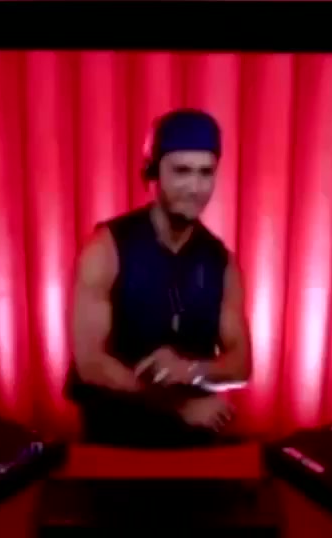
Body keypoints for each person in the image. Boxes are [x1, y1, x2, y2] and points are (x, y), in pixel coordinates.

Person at [66, 109, 252, 448]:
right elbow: (90, 364)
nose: (195, 187)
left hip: (190, 440)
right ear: (153, 173)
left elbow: (241, 365)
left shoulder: (221, 261)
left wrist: (190, 369)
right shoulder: (106, 248)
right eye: (181, 171)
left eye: (206, 173)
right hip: (114, 438)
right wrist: (178, 406)